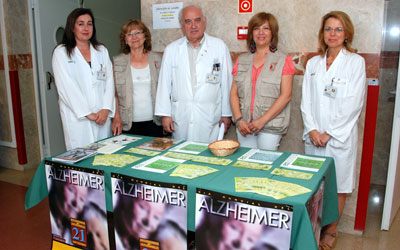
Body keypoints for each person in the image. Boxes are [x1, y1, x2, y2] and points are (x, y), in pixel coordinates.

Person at [300, 11, 366, 250]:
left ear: (346, 33)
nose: (333, 34)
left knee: (338, 186)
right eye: (328, 29)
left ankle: (331, 230)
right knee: (313, 184)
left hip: (339, 138)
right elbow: (305, 101)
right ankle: (312, 227)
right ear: (322, 33)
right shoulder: (313, 63)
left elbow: (354, 103)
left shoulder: (355, 63)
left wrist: (329, 133)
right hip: (314, 136)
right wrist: (313, 130)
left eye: (338, 29)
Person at [155, 4, 233, 143]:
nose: (193, 26)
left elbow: (227, 83)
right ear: (181, 25)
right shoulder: (172, 49)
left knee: (208, 157)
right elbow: (164, 85)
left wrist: (227, 113)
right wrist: (165, 114)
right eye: (188, 21)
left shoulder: (219, 47)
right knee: (181, 155)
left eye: (197, 20)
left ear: (204, 21)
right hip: (181, 115)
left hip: (210, 116)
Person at [230, 12, 295, 150]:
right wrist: (239, 120)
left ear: (273, 33)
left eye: (266, 28)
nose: (261, 32)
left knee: (265, 165)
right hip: (244, 126)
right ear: (251, 33)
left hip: (270, 126)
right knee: (246, 165)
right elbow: (233, 93)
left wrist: (262, 121)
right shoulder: (242, 60)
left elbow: (286, 96)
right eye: (256, 28)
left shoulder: (283, 60)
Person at [52, 8, 115, 150]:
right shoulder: (61, 52)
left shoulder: (101, 51)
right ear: (72, 27)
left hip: (101, 116)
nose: (86, 28)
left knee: (104, 155)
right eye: (80, 24)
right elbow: (66, 86)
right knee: (81, 157)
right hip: (77, 118)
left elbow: (110, 82)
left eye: (89, 24)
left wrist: (105, 109)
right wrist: (87, 113)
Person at [112, 19, 163, 137]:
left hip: (155, 123)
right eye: (129, 34)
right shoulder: (118, 62)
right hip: (127, 124)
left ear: (145, 36)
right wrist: (116, 118)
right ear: (125, 39)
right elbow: (113, 94)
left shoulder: (158, 60)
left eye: (138, 32)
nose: (134, 37)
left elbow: (166, 91)